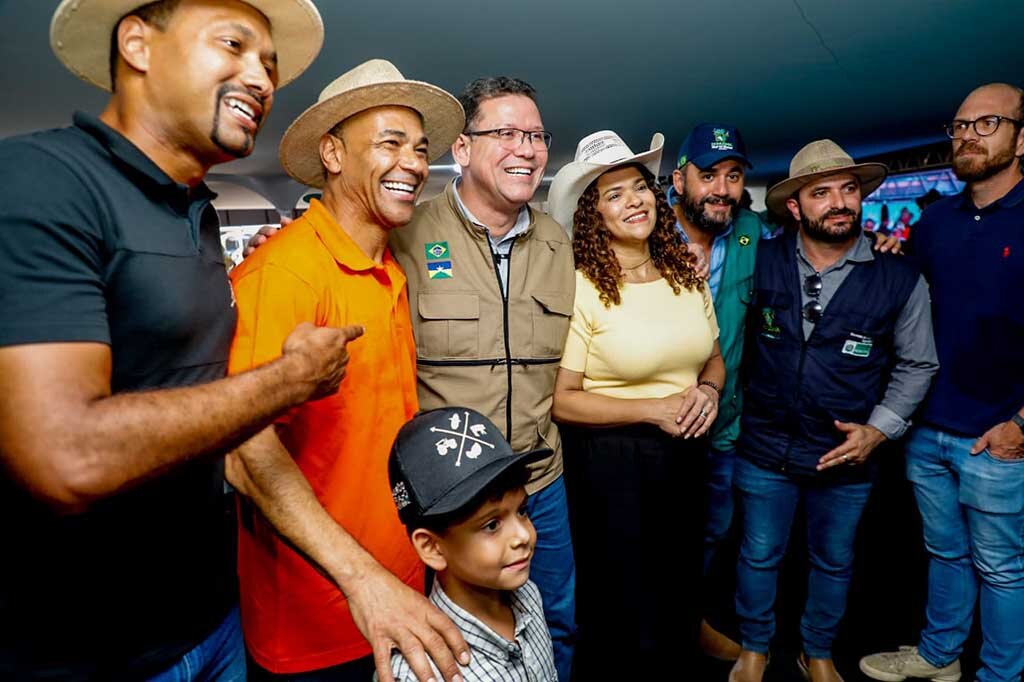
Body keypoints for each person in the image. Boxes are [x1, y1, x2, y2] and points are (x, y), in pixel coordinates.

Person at [0, 1, 337, 679]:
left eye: (269, 65)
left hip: (211, 623)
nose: (263, 78)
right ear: (137, 45)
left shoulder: (195, 211)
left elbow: (193, 391)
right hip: (85, 655)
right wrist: (288, 380)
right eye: (234, 45)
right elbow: (66, 457)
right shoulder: (39, 182)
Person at [225, 60, 471, 682]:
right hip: (319, 621)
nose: (414, 163)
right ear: (332, 153)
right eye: (390, 143)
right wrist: (367, 582)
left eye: (419, 149)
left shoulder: (389, 269)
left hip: (402, 594)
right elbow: (244, 453)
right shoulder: (283, 273)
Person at [388, 76, 578, 680]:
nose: (526, 148)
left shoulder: (556, 242)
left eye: (536, 135)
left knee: (558, 623)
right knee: (448, 644)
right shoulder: (409, 235)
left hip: (539, 484)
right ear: (462, 150)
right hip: (452, 503)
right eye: (505, 133)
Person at [728, 140, 938, 682]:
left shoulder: (900, 277)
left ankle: (816, 650)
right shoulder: (760, 261)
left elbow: (918, 365)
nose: (839, 202)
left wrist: (879, 430)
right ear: (795, 207)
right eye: (821, 193)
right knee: (759, 555)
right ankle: (755, 646)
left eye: (848, 189)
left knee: (834, 561)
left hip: (846, 456)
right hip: (764, 446)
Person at [860, 82, 1024, 682]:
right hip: (927, 429)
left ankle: (1000, 676)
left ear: (1021, 137)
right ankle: (939, 656)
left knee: (1002, 568)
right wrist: (886, 257)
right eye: (960, 126)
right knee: (944, 553)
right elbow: (912, 311)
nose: (968, 137)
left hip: (998, 436)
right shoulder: (932, 222)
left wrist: (1019, 427)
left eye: (986, 124)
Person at [548, 130, 726, 678]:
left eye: (639, 188)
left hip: (688, 455)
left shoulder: (685, 275)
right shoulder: (582, 287)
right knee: (622, 604)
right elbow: (563, 402)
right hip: (612, 464)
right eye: (613, 194)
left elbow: (714, 358)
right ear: (592, 214)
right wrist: (653, 410)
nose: (634, 201)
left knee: (679, 587)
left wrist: (709, 391)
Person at [383, 407, 558, 682]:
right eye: (492, 525)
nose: (523, 536)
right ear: (432, 547)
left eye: (522, 511)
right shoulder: (419, 673)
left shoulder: (528, 595)